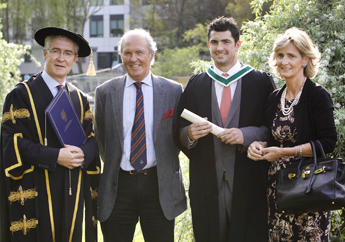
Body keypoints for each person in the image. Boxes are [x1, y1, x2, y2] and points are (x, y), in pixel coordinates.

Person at [173, 16, 276, 242]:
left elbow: (275, 129)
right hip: (207, 180)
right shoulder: (197, 84)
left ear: (237, 45)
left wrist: (245, 135)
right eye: (214, 42)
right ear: (209, 45)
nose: (219, 48)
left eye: (226, 42)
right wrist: (189, 134)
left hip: (249, 177)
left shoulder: (260, 82)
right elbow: (178, 130)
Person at [0, 27, 100, 242]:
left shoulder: (79, 98)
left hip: (72, 189)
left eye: (68, 53)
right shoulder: (21, 95)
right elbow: (12, 143)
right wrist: (55, 157)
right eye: (55, 51)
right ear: (44, 54)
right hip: (36, 187)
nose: (61, 58)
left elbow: (92, 139)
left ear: (74, 59)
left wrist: (81, 153)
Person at [94, 28, 187, 242]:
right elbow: (102, 139)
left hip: (158, 186)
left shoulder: (173, 91)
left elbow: (178, 135)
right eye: (127, 53)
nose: (133, 59)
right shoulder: (105, 92)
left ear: (151, 56)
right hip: (118, 187)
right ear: (121, 57)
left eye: (139, 52)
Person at [247, 27, 337, 241]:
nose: (283, 61)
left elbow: (328, 143)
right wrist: (257, 145)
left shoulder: (317, 95)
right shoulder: (274, 98)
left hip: (310, 190)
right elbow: (272, 138)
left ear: (305, 60)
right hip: (278, 191)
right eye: (280, 55)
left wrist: (284, 152)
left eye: (291, 56)